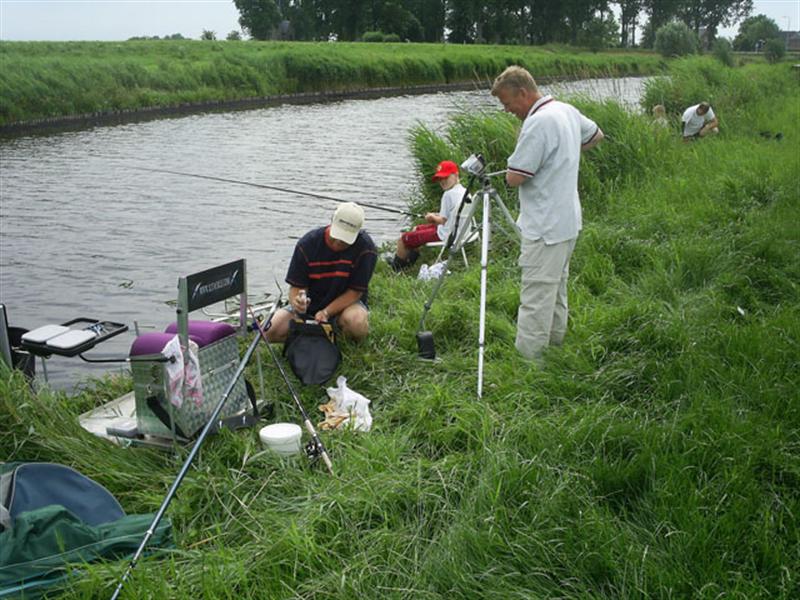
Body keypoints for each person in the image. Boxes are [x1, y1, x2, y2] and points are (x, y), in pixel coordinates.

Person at [491, 65, 604, 361]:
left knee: (536, 297)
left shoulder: (538, 122)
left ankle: (529, 363)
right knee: (556, 289)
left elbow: (514, 176)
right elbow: (596, 135)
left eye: (507, 103)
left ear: (523, 93)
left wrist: (535, 155)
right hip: (567, 222)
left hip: (544, 226)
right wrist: (564, 155)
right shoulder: (566, 110)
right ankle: (555, 350)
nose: (507, 110)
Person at [267, 202, 377, 342]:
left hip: (346, 307)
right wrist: (298, 302)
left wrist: (326, 312)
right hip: (309, 306)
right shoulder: (307, 244)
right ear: (332, 221)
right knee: (271, 329)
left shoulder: (367, 249)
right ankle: (310, 336)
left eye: (345, 239)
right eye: (336, 236)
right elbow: (296, 287)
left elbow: (355, 293)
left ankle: (337, 339)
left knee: (356, 324)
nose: (338, 242)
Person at [387, 160, 468, 271]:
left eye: (446, 177)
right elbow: (452, 214)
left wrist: (431, 218)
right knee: (416, 229)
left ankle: (396, 268)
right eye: (440, 179)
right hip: (459, 231)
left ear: (456, 175)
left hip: (445, 234)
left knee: (403, 239)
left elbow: (442, 221)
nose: (442, 181)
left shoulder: (448, 195)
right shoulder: (464, 191)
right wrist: (436, 215)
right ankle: (408, 264)